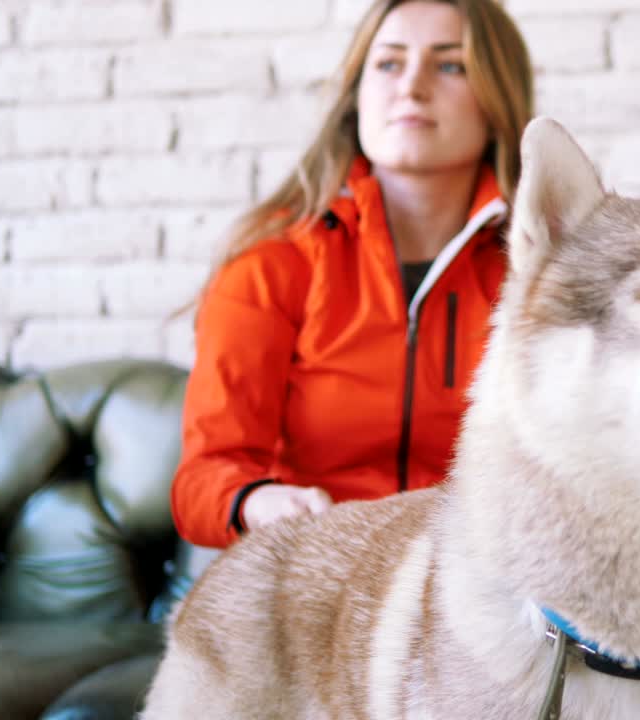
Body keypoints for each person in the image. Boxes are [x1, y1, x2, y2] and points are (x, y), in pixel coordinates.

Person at [171, 0, 534, 549]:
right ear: (356, 96)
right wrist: (255, 502)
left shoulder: (539, 276)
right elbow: (202, 481)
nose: (411, 87)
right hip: (314, 574)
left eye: (450, 65)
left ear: (496, 102)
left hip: (474, 584)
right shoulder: (271, 264)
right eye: (388, 64)